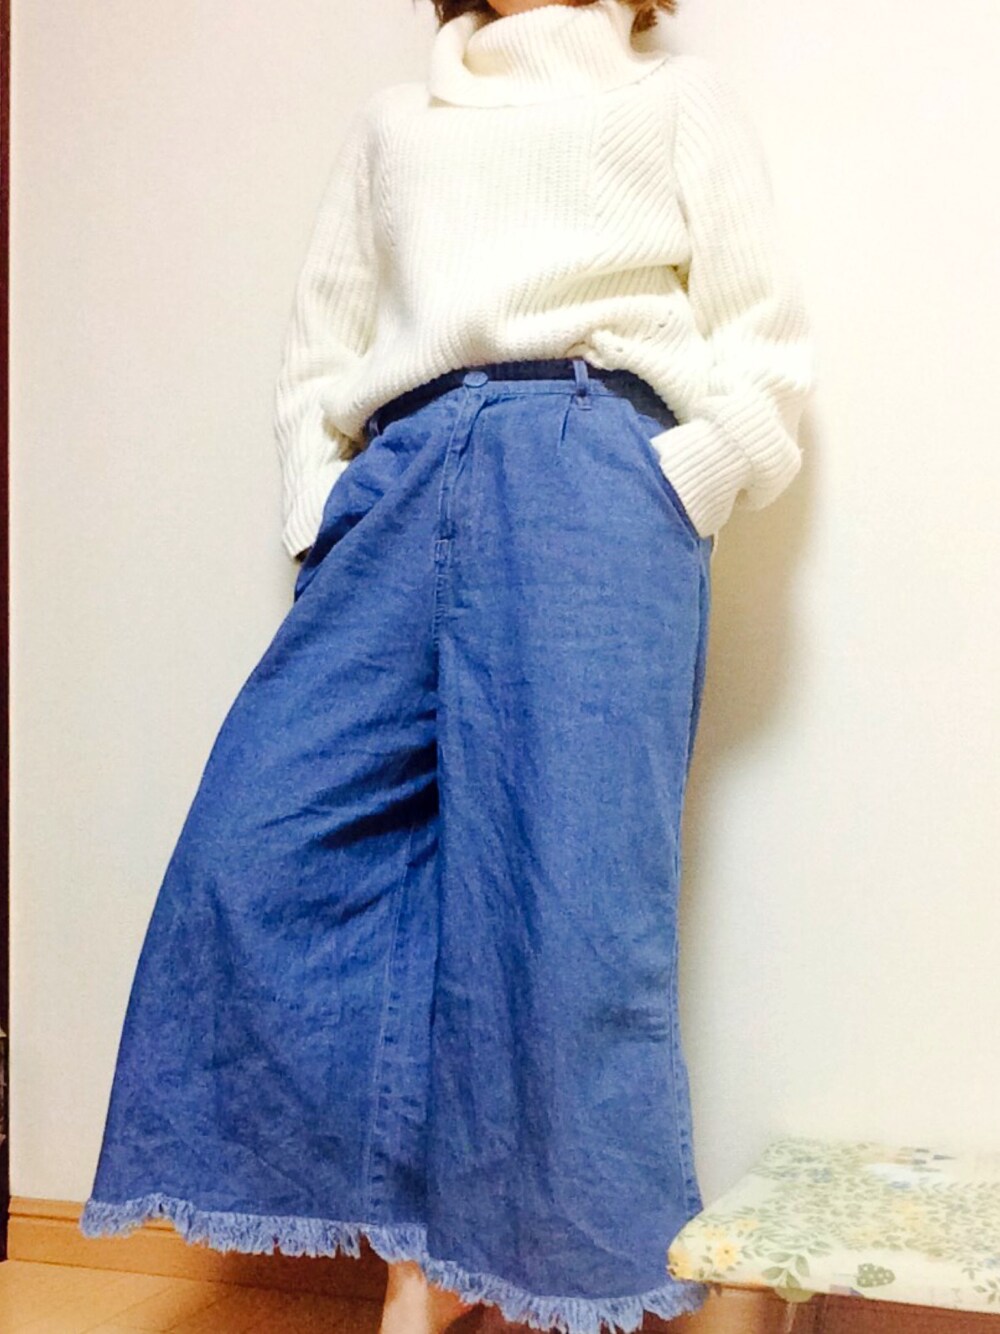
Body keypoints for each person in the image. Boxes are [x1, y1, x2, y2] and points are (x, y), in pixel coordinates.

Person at [80, 1, 816, 1332]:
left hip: (596, 472)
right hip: (404, 472)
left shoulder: (675, 103)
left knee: (569, 910)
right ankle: (437, 1250)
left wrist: (683, 480)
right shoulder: (395, 126)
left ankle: (483, 1282)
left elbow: (762, 341)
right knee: (257, 850)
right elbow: (319, 345)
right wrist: (322, 512)